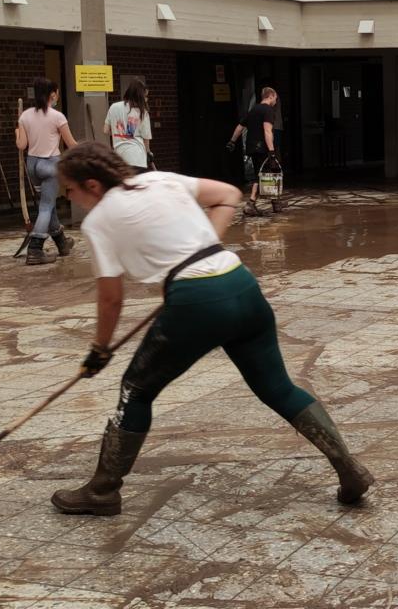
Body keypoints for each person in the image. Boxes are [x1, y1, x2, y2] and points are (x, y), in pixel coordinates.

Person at [50, 144, 372, 516]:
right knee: (278, 387)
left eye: (69, 190)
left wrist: (100, 349)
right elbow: (229, 195)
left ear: (91, 184)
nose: (68, 198)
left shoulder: (98, 221)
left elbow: (110, 300)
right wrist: (205, 249)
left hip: (196, 301)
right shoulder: (160, 179)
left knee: (136, 391)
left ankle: (103, 491)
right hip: (240, 284)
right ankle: (349, 468)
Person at [16, 78, 79, 265]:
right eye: (57, 92)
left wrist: (17, 131)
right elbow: (71, 144)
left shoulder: (25, 116)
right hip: (50, 164)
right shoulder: (57, 117)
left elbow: (21, 145)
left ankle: (61, 242)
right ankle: (35, 249)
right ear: (52, 94)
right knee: (46, 207)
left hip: (32, 164)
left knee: (48, 204)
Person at [226, 87, 278, 216]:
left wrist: (232, 141)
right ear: (271, 96)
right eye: (275, 98)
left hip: (252, 147)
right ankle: (251, 203)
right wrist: (271, 152)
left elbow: (240, 127)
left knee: (268, 175)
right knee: (261, 176)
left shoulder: (253, 110)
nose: (276, 101)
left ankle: (275, 203)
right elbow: (267, 131)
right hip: (262, 148)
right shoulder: (268, 111)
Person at [104, 79, 153, 173]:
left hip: (119, 160)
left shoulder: (114, 107)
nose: (146, 99)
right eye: (145, 96)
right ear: (139, 96)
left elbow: (106, 130)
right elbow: (146, 138)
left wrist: (119, 133)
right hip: (137, 159)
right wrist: (148, 152)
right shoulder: (142, 112)